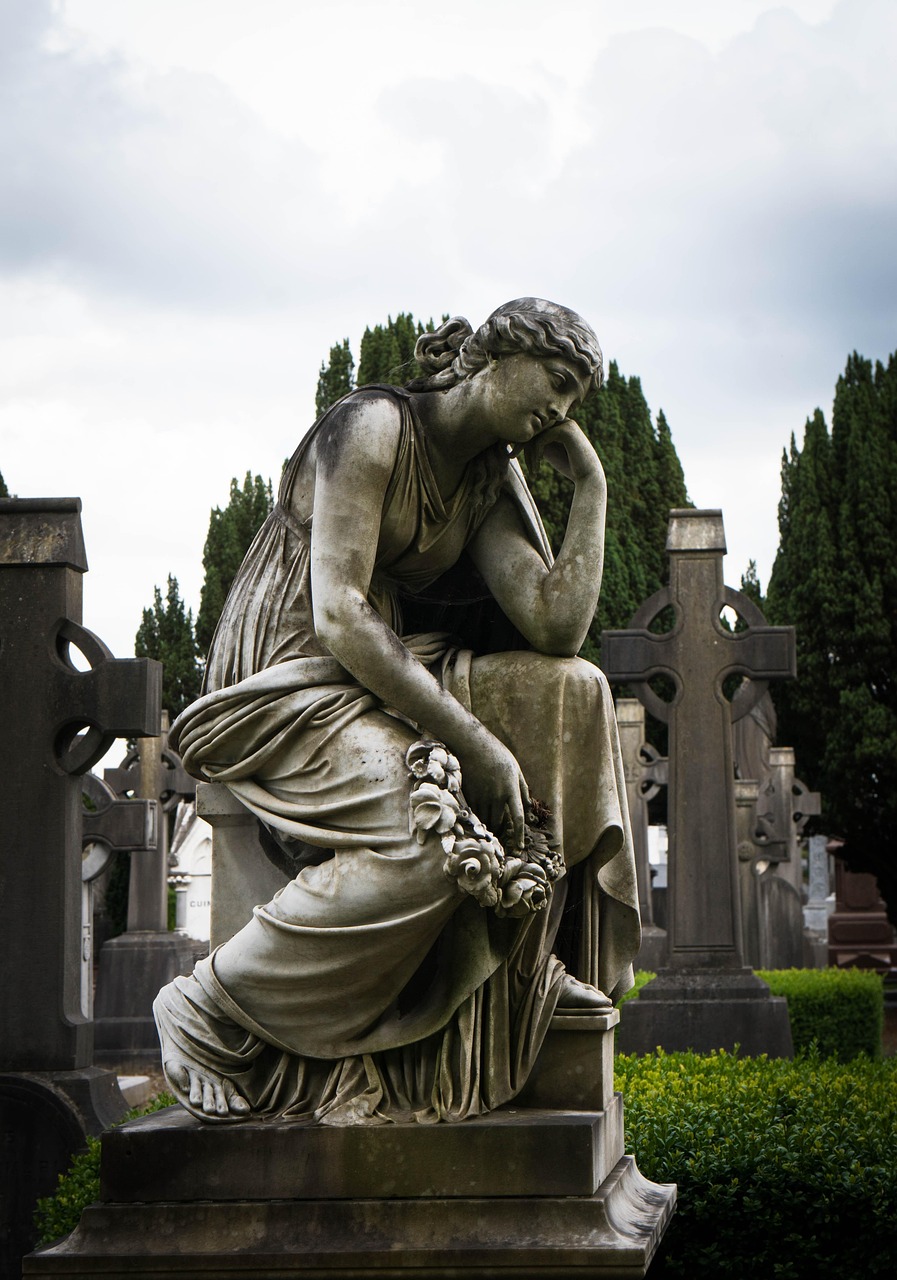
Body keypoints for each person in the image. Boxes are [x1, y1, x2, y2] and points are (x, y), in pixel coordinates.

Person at [155, 298, 640, 1125]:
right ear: (495, 355)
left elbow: (558, 627)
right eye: (555, 382)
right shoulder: (373, 425)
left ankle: (524, 974)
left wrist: (589, 485)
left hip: (381, 670)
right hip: (289, 677)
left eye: (574, 400)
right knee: (431, 831)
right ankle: (207, 1002)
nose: (559, 409)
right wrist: (478, 746)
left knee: (573, 690)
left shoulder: (486, 477)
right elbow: (339, 611)